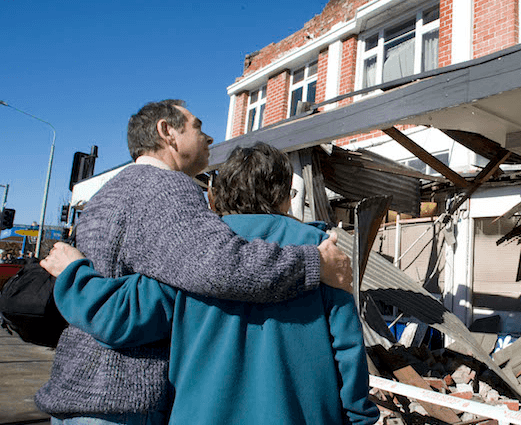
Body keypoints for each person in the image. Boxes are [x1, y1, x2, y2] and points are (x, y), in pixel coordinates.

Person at [35, 100, 353, 424]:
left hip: (78, 385)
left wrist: (73, 276)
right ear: (167, 131)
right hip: (121, 399)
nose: (209, 138)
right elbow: (222, 267)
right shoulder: (166, 188)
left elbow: (135, 296)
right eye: (198, 127)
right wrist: (314, 263)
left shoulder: (106, 194)